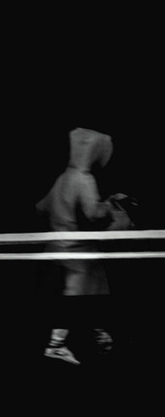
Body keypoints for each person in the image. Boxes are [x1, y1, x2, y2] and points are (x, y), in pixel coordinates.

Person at [39, 125, 125, 365]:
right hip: (76, 250)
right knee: (76, 296)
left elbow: (41, 207)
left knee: (89, 291)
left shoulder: (62, 177)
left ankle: (99, 335)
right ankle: (58, 344)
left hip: (60, 245)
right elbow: (93, 213)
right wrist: (108, 206)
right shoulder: (83, 179)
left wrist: (61, 214)